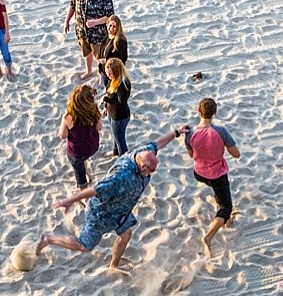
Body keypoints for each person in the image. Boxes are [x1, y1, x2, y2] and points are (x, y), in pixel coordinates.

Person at [36, 125, 191, 273]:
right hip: (101, 215)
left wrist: (176, 132)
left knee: (126, 234)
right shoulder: (121, 177)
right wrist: (69, 200)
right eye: (151, 171)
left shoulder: (144, 153)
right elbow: (95, 190)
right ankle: (49, 239)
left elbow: (158, 143)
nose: (151, 174)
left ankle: (114, 265)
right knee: (85, 246)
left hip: (121, 212)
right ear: (143, 167)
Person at [183, 98, 241, 258]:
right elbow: (236, 154)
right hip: (217, 174)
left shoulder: (190, 133)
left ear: (198, 111)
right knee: (226, 208)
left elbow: (191, 154)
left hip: (199, 173)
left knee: (219, 192)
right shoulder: (221, 131)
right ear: (214, 113)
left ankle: (225, 217)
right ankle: (208, 237)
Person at [63, 0, 114, 80]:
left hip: (98, 34)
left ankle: (102, 76)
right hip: (81, 31)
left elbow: (110, 17)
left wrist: (95, 22)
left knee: (100, 57)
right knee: (86, 51)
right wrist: (67, 21)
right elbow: (72, 6)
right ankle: (89, 71)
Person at [59, 84, 102, 190]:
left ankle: (84, 191)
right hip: (91, 147)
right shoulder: (95, 113)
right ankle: (86, 171)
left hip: (76, 152)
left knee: (79, 173)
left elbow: (62, 135)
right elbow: (99, 128)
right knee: (83, 159)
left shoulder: (69, 118)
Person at [102, 58, 131, 156]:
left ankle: (124, 160)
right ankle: (115, 151)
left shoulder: (122, 84)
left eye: (110, 73)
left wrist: (107, 100)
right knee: (116, 136)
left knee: (121, 142)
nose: (108, 75)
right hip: (112, 114)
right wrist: (106, 107)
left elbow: (121, 103)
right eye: (107, 73)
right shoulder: (112, 79)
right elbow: (110, 94)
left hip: (119, 117)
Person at [96, 14, 128, 89]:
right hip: (105, 71)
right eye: (110, 25)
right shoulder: (107, 36)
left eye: (114, 26)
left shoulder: (121, 41)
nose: (111, 28)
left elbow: (123, 59)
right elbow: (102, 52)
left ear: (118, 27)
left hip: (114, 73)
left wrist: (107, 60)